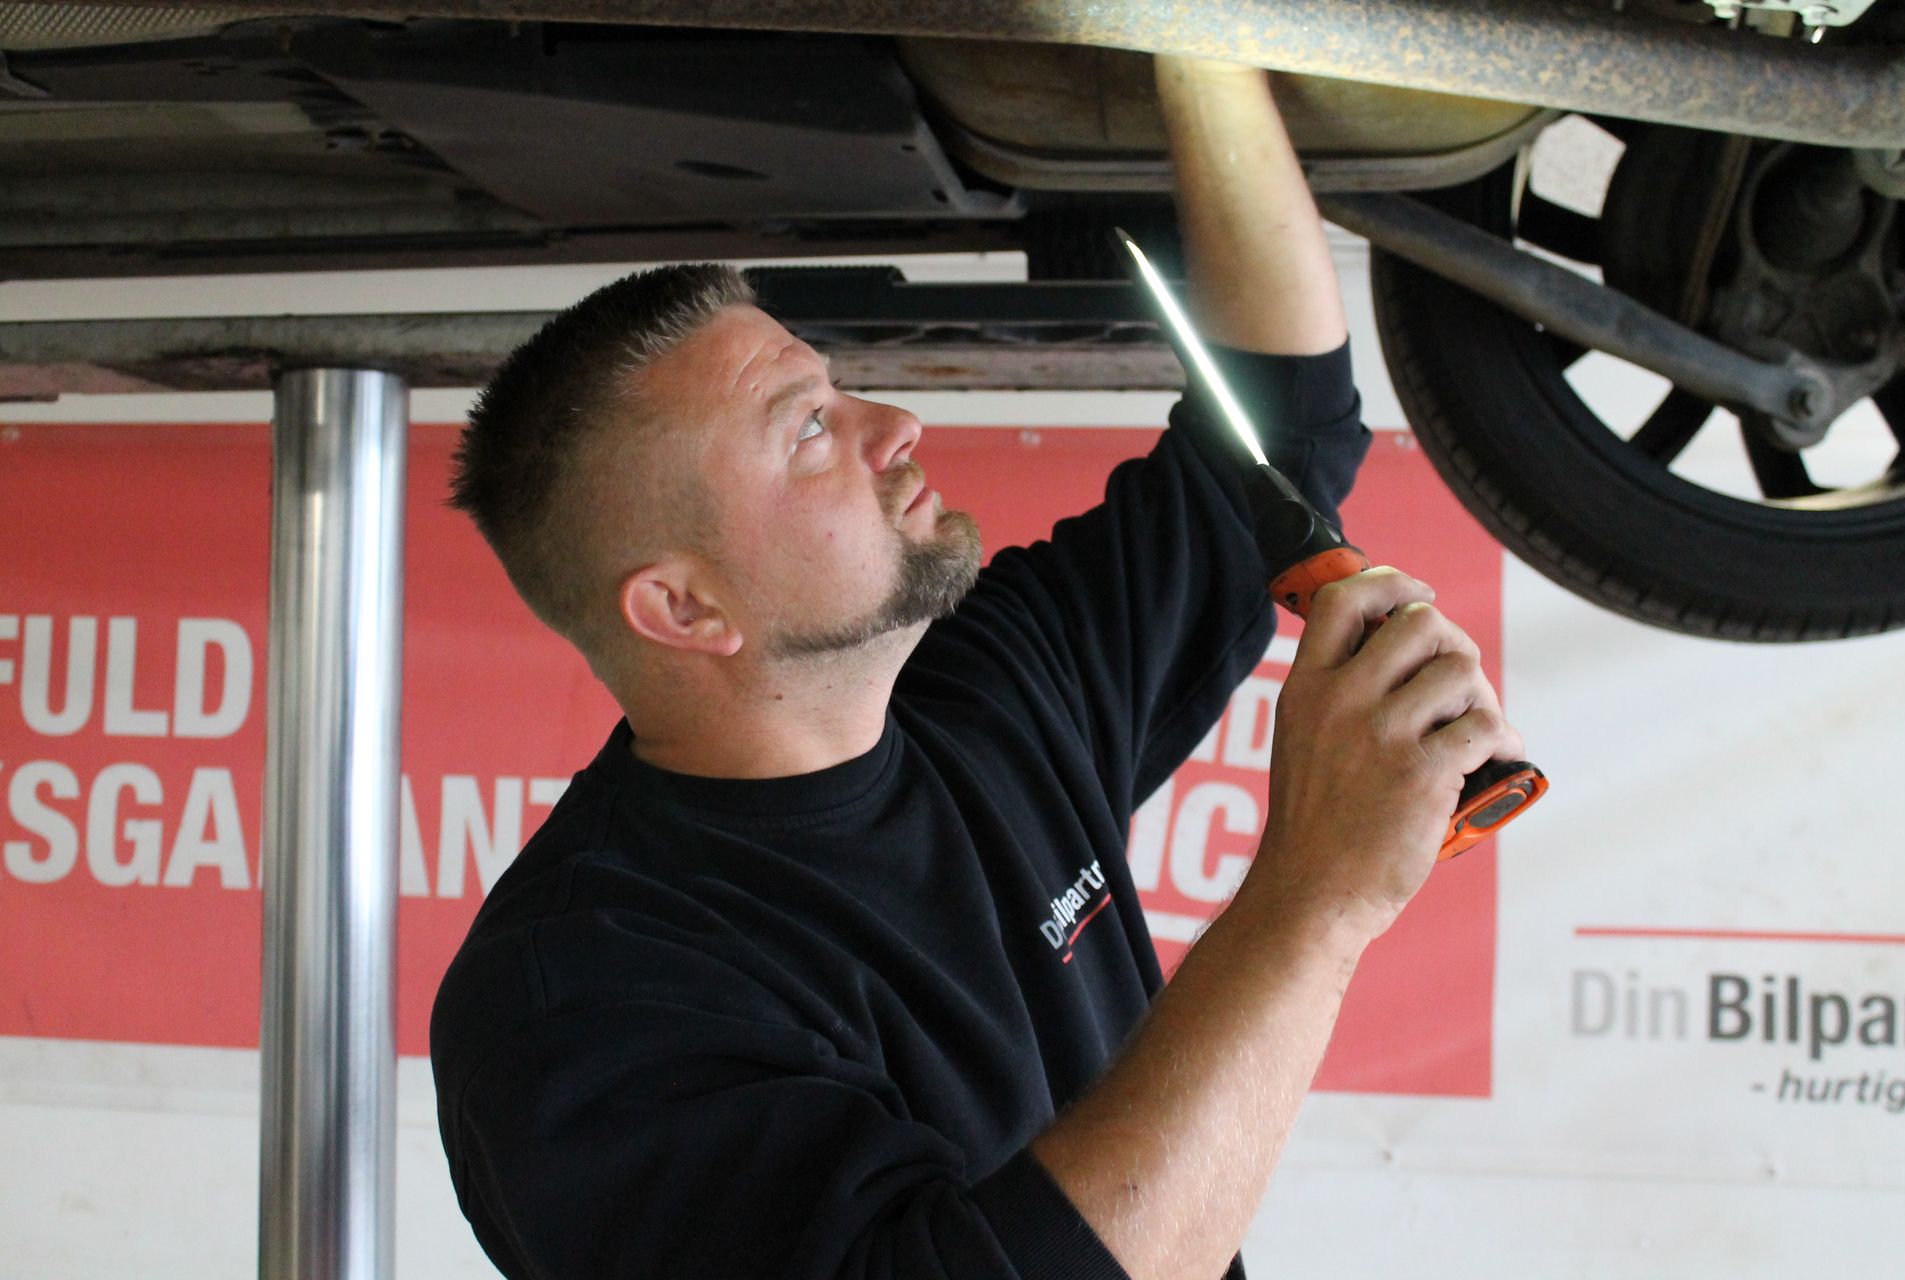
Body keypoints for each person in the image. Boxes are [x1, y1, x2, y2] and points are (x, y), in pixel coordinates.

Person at [431, 53, 1523, 1280]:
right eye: (808, 427)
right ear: (684, 606)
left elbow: (1282, 423)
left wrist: (1199, 49)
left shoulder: (991, 684)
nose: (893, 426)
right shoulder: (587, 1001)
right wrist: (1314, 899)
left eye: (837, 387)